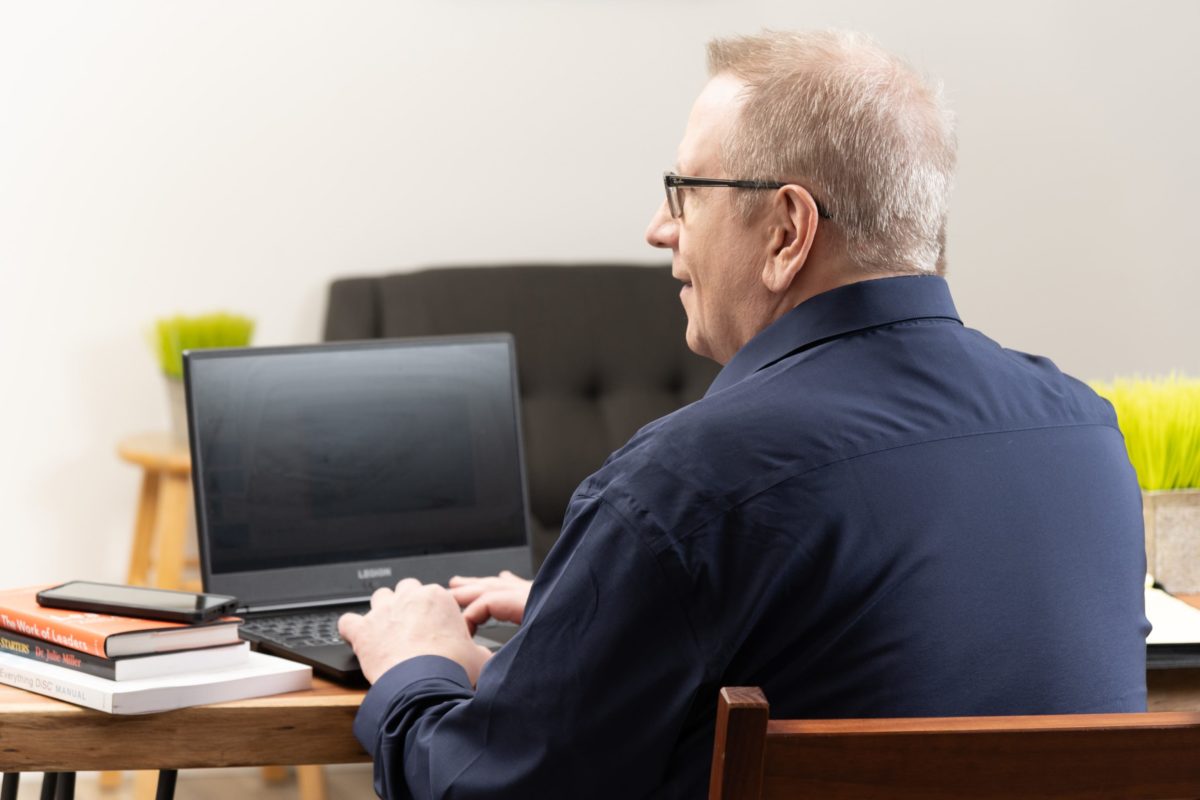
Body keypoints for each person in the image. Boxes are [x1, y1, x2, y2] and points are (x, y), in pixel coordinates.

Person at [338, 29, 1148, 799]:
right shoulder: (1087, 435)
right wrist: (583, 615)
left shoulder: (685, 485)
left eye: (684, 193)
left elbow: (481, 786)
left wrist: (420, 663)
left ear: (788, 230)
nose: (659, 230)